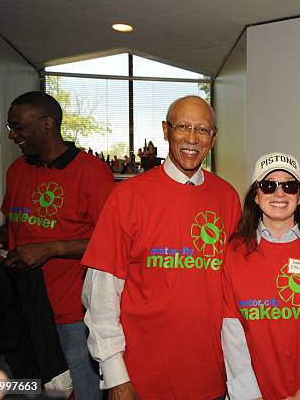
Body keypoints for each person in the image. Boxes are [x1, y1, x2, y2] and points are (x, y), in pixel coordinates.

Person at [81, 95, 241, 400]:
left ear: (214, 137)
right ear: (166, 130)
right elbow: (101, 293)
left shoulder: (227, 197)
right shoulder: (127, 197)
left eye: (203, 130)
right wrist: (115, 376)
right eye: (183, 127)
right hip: (141, 379)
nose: (192, 139)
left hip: (212, 376)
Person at [0, 91, 114, 400]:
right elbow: (15, 226)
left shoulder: (91, 172)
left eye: (19, 127)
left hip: (71, 315)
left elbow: (110, 242)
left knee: (82, 393)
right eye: (10, 127)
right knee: (29, 390)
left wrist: (51, 249)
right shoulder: (18, 170)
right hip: (21, 308)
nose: (12, 135)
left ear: (48, 124)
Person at [222, 152, 300, 400]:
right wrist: (251, 396)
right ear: (256, 197)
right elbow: (231, 333)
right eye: (268, 186)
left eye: (289, 186)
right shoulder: (234, 254)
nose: (279, 194)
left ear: (299, 197)